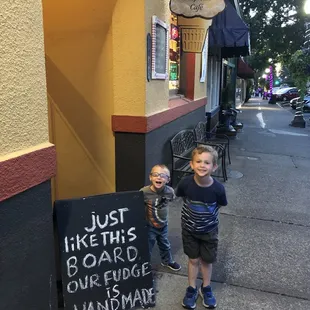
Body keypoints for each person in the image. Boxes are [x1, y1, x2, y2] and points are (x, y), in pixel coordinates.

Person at [176, 145, 227, 309]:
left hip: (209, 231)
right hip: (189, 229)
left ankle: (206, 287)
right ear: (191, 164)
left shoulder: (218, 188)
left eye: (207, 162)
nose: (202, 165)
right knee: (193, 259)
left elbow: (220, 205)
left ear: (214, 167)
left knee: (206, 260)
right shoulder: (185, 183)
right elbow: (183, 198)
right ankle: (191, 288)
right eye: (198, 161)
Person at [140, 164, 181, 271]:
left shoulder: (170, 192)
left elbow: (171, 200)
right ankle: (145, 265)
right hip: (150, 226)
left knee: (165, 244)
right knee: (148, 247)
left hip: (163, 225)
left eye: (163, 176)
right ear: (150, 177)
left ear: (168, 180)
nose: (159, 177)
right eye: (156, 175)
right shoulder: (144, 192)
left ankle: (167, 261)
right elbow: (138, 205)